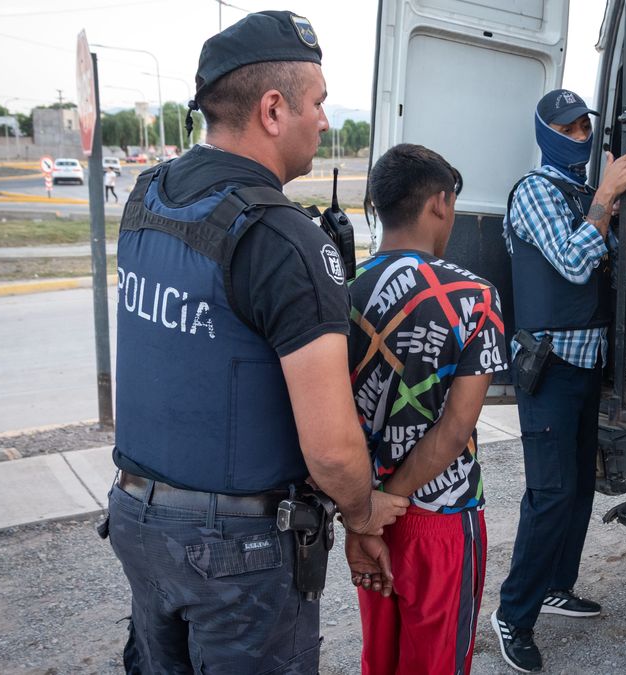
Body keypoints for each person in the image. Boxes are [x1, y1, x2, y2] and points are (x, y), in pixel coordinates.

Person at [103, 11, 408, 673]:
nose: (323, 120)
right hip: (235, 552)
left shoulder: (148, 196)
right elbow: (331, 450)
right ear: (273, 110)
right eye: (318, 103)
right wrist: (361, 513)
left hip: (136, 516)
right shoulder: (283, 239)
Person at [492, 88, 626, 672]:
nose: (580, 136)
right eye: (568, 129)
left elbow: (616, 267)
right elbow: (574, 262)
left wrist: (622, 216)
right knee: (551, 493)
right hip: (551, 366)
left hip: (587, 364)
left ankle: (556, 586)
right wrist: (605, 198)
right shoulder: (535, 191)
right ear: (546, 134)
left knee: (579, 486)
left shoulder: (584, 195)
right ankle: (513, 614)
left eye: (585, 127)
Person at [347, 143, 508, 674]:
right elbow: (455, 428)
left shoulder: (342, 292)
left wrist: (366, 514)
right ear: (440, 202)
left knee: (380, 658)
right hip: (442, 519)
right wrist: (393, 499)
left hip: (367, 514)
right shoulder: (476, 297)